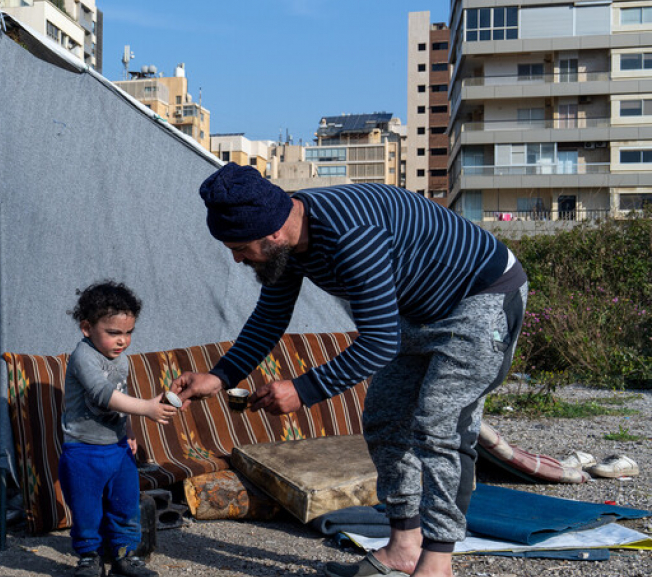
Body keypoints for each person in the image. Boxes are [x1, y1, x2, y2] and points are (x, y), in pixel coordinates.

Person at [171, 164, 527, 577]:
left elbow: (379, 342)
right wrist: (219, 377)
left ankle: (438, 562)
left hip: (479, 300)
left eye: (239, 246)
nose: (235, 258)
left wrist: (303, 390)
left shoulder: (350, 235)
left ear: (271, 232)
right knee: (385, 419)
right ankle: (404, 547)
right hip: (416, 312)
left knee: (439, 425)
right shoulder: (286, 239)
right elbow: (270, 317)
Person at [60, 281, 175, 577]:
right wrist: (148, 408)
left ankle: (125, 556)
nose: (122, 341)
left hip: (118, 448)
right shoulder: (83, 356)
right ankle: (89, 557)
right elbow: (101, 394)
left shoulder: (120, 360)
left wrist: (131, 431)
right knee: (87, 510)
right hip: (83, 450)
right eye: (113, 333)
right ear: (87, 328)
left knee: (125, 505)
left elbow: (122, 396)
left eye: (128, 333)